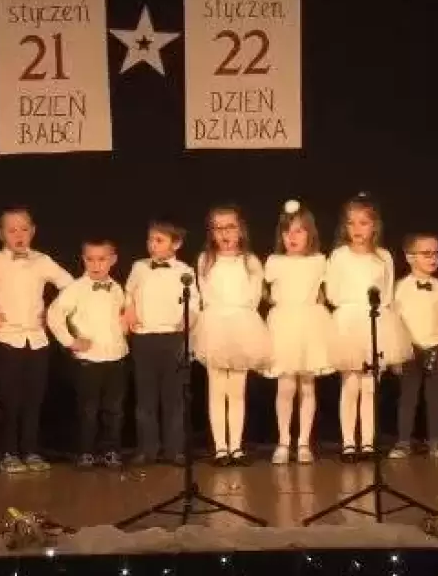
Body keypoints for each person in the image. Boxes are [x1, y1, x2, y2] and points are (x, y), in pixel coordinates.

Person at [0, 208, 74, 473]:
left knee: (34, 399)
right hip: (6, 338)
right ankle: (8, 452)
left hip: (37, 340)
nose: (18, 235)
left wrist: (52, 310)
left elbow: (70, 285)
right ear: (0, 234)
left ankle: (31, 450)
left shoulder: (42, 260)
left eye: (23, 229)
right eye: (12, 230)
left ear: (32, 231)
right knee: (10, 399)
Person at [325, 195, 412, 462]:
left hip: (376, 321)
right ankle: (349, 443)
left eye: (363, 223)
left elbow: (387, 293)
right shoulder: (339, 255)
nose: (357, 229)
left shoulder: (383, 256)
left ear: (374, 226)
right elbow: (332, 292)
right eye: (351, 223)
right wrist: (350, 307)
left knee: (370, 387)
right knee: (350, 385)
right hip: (348, 322)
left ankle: (367, 442)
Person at [192, 205, 270, 466]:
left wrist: (238, 315)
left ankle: (236, 446)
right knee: (217, 389)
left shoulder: (250, 261)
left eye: (230, 227)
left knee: (237, 390)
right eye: (218, 228)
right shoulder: (205, 259)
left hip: (242, 324)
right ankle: (220, 447)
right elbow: (205, 293)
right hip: (214, 325)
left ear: (240, 230)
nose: (224, 233)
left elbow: (254, 296)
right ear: (211, 232)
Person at [262, 199, 334, 464]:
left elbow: (326, 292)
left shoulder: (319, 261)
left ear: (310, 234)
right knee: (285, 385)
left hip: (310, 324)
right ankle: (283, 441)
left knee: (307, 384)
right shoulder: (274, 261)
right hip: (284, 324)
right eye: (287, 231)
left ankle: (303, 442)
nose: (291, 237)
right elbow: (267, 292)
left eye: (299, 231)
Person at [47, 238, 128, 469]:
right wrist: (70, 341)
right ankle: (86, 452)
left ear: (113, 260)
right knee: (88, 410)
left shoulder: (117, 288)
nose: (96, 264)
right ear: (83, 260)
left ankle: (111, 451)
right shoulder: (76, 289)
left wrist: (124, 329)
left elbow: (120, 317)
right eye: (90, 259)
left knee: (114, 410)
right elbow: (54, 315)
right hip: (89, 361)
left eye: (101, 259)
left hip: (116, 357)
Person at [123, 220, 198, 466]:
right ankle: (147, 449)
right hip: (144, 337)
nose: (152, 245)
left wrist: (188, 320)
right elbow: (128, 293)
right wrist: (130, 309)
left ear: (176, 244)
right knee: (146, 398)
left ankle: (174, 449)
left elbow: (194, 302)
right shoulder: (139, 267)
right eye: (150, 240)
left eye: (159, 240)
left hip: (172, 337)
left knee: (173, 398)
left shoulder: (184, 270)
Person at [391, 232, 438, 459]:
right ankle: (403, 442)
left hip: (436, 347)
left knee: (435, 398)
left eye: (436, 253)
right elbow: (395, 321)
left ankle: (436, 441)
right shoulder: (400, 287)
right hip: (410, 349)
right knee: (408, 398)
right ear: (410, 257)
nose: (433, 258)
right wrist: (396, 353)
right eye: (426, 253)